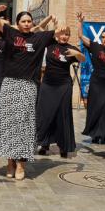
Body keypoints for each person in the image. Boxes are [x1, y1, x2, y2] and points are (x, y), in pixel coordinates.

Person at [0, 5, 62, 180]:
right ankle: (10, 162)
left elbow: (59, 33)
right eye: (23, 21)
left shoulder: (39, 37)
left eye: (29, 21)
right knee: (9, 125)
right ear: (18, 24)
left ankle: (21, 164)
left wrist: (58, 25)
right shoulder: (11, 33)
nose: (27, 24)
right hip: (9, 84)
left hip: (28, 85)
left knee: (24, 125)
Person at [36, 26, 86, 158]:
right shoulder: (50, 43)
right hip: (47, 84)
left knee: (62, 115)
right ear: (58, 34)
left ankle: (64, 146)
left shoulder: (71, 49)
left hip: (64, 85)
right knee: (45, 113)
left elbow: (83, 59)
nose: (64, 36)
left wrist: (77, 54)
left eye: (67, 34)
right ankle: (44, 144)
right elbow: (40, 32)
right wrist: (53, 25)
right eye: (62, 34)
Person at [77, 12, 105, 144]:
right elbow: (81, 36)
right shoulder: (95, 46)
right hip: (96, 81)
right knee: (95, 108)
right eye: (103, 37)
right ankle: (94, 134)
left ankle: (104, 134)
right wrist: (81, 22)